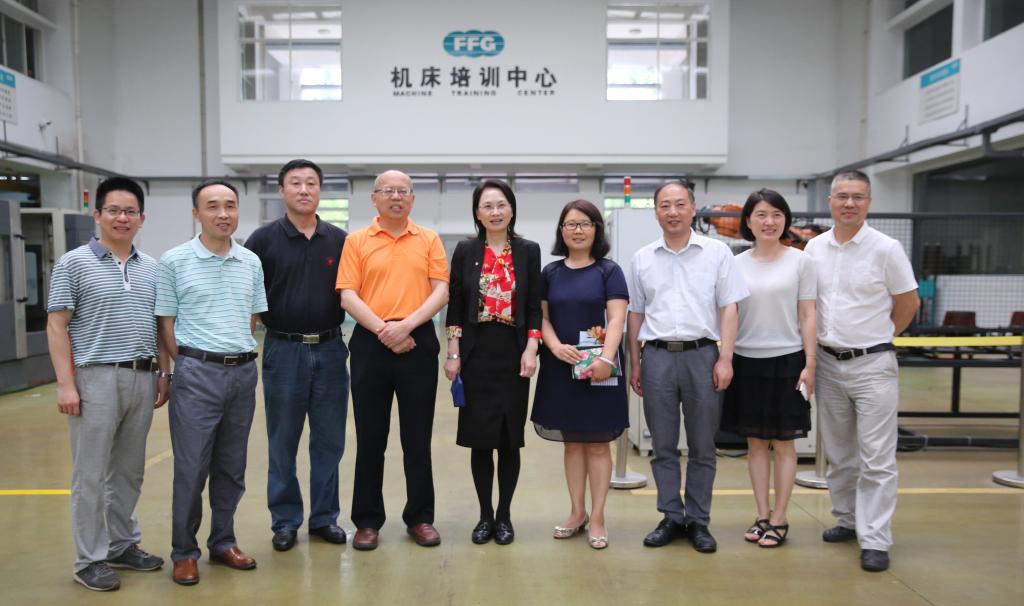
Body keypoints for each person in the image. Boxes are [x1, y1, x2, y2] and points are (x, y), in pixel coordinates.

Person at [47, 177, 169, 591]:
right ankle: (89, 560)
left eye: (130, 211)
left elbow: (160, 326)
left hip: (142, 376)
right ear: (97, 215)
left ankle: (121, 545)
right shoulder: (73, 263)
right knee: (92, 474)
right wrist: (66, 384)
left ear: (141, 218)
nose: (122, 218)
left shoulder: (152, 268)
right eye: (113, 210)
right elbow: (57, 325)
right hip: (94, 377)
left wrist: (164, 372)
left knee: (129, 472)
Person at [804, 170, 920, 572]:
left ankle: (875, 538)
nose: (849, 203)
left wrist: (880, 337)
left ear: (869, 202)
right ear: (830, 202)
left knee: (877, 457)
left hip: (873, 365)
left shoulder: (886, 249)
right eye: (842, 196)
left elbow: (908, 302)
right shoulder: (814, 249)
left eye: (857, 196)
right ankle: (849, 520)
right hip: (828, 363)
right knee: (839, 453)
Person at [156, 180, 268, 585]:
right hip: (196, 373)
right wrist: (185, 365)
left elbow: (252, 318)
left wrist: (231, 354)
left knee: (231, 466)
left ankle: (223, 541)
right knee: (191, 468)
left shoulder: (250, 261)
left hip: (242, 372)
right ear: (196, 213)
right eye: (213, 206)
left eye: (230, 205)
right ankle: (184, 552)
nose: (223, 214)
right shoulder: (174, 261)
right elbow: (165, 323)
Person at [627, 179, 748, 554]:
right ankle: (670, 516)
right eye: (665, 205)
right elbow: (635, 313)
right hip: (657, 357)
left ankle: (698, 520)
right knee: (662, 445)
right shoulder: (642, 258)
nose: (673, 212)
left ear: (693, 209)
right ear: (656, 212)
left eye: (680, 204)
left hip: (703, 356)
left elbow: (729, 308)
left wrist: (725, 358)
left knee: (702, 445)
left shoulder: (717, 253)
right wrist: (635, 362)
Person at [336, 169, 449, 550]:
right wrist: (384, 330)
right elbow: (348, 295)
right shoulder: (356, 241)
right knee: (370, 438)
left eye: (403, 191)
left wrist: (407, 326)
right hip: (371, 342)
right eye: (388, 191)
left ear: (412, 199)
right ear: (374, 198)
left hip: (418, 341)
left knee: (417, 437)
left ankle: (420, 518)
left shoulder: (429, 239)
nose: (396, 197)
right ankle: (367, 521)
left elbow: (441, 291)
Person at [244, 159, 349, 551]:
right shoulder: (262, 240)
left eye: (311, 183)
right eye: (295, 183)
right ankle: (285, 520)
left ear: (320, 190)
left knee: (329, 441)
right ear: (281, 190)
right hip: (282, 350)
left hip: (331, 350)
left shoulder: (340, 241)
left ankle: (324, 518)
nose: (304, 190)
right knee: (282, 441)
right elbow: (248, 298)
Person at [443, 180, 542, 545]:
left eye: (501, 205)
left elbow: (534, 305)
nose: (495, 212)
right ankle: (485, 515)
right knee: (480, 439)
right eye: (488, 206)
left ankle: (505, 516)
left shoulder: (528, 251)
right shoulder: (466, 250)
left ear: (512, 209)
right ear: (477, 213)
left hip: (513, 353)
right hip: (475, 353)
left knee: (509, 440)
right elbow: (456, 303)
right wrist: (453, 351)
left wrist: (532, 348)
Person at [720, 189, 816, 548]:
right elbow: (730, 314)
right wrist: (726, 356)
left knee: (784, 443)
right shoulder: (736, 263)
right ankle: (762, 514)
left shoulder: (801, 262)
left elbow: (808, 314)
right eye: (761, 214)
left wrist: (810, 362)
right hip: (746, 360)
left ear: (785, 220)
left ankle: (780, 517)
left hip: (788, 360)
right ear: (748, 221)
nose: (769, 221)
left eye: (776, 214)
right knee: (756, 443)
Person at [531, 199, 628, 550]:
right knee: (572, 443)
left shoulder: (609, 271)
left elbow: (616, 318)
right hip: (562, 366)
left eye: (585, 223)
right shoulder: (550, 273)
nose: (578, 230)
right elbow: (541, 318)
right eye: (571, 224)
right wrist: (554, 346)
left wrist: (606, 358)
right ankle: (577, 512)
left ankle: (598, 516)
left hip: (600, 368)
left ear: (596, 230)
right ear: (561, 230)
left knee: (599, 445)